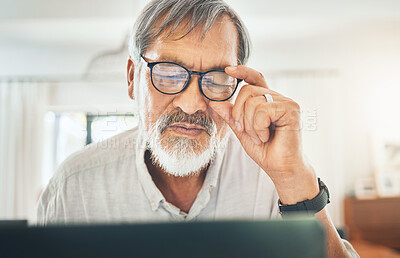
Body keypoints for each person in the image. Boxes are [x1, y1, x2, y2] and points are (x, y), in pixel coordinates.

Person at [37, 0, 358, 256]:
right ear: (133, 78)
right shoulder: (74, 186)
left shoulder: (271, 177)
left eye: (217, 79)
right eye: (167, 73)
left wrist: (293, 178)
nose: (191, 105)